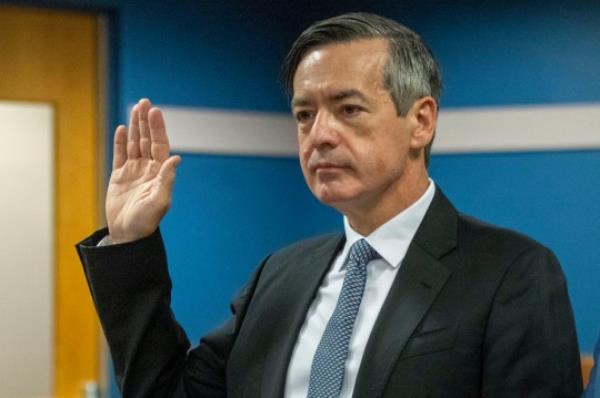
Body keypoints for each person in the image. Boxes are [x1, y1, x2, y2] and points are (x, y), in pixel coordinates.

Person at [77, 12, 583, 397]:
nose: (319, 136)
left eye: (348, 109)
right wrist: (130, 240)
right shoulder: (280, 274)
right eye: (304, 115)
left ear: (421, 121)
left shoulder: (512, 273)